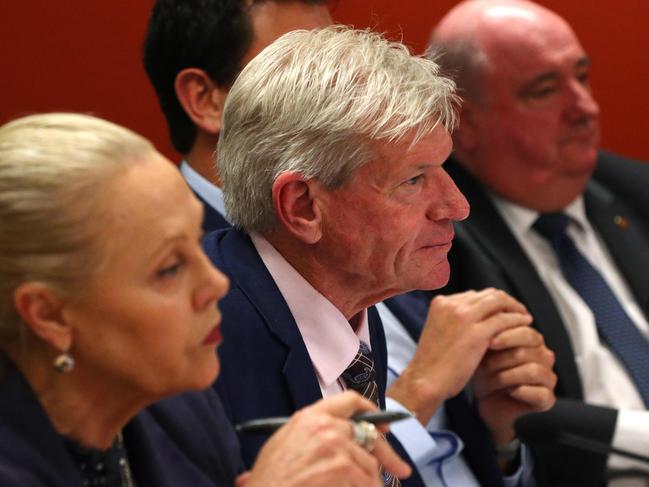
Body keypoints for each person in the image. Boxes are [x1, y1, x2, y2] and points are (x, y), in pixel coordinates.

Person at [205, 26, 556, 486]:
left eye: (442, 168)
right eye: (414, 180)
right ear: (303, 207)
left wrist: (502, 439)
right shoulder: (198, 339)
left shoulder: (357, 296)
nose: (457, 206)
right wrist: (417, 396)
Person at [0, 112, 410, 486]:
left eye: (197, 243)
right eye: (170, 268)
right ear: (49, 316)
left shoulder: (184, 410)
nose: (216, 282)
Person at [402, 0, 649, 485]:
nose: (585, 107)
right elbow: (511, 413)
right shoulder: (434, 239)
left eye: (582, 76)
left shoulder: (634, 190)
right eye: (544, 91)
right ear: (465, 124)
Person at [143, 0, 332, 231]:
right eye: (299, 74)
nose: (343, 95)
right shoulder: (147, 255)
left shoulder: (361, 227)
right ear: (206, 100)